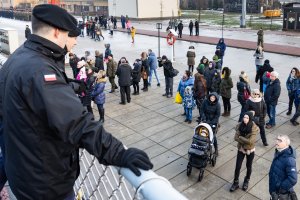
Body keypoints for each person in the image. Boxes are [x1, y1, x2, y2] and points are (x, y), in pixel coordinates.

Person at [0, 4, 153, 199]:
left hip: (23, 174)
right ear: (57, 32)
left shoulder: (19, 58)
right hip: (46, 186)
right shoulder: (40, 70)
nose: (73, 41)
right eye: (69, 35)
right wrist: (119, 154)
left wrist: (68, 86)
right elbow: (77, 123)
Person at [230, 112, 258, 192]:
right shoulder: (240, 125)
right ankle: (235, 182)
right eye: (244, 117)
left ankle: (246, 180)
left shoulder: (254, 128)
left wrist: (241, 138)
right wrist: (243, 140)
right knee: (238, 166)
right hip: (241, 149)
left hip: (250, 150)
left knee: (249, 166)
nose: (245, 119)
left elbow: (250, 141)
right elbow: (235, 138)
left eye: (247, 118)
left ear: (250, 119)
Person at [269, 135, 298, 200]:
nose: (277, 142)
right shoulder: (279, 151)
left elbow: (293, 179)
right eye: (277, 139)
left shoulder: (289, 160)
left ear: (286, 144)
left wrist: (280, 189)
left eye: (280, 141)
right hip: (274, 190)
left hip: (279, 193)